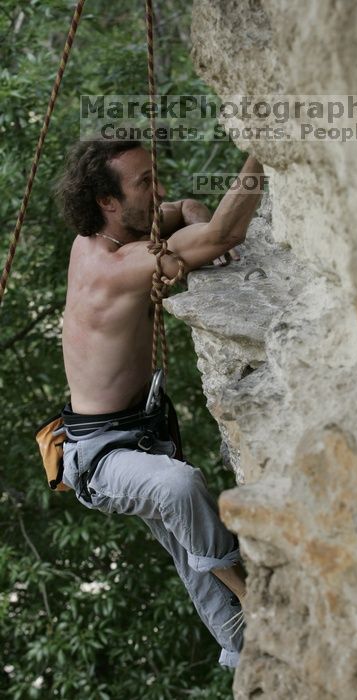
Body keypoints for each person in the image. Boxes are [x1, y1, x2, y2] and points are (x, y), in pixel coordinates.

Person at [56, 139, 263, 669]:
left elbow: (186, 212)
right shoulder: (114, 265)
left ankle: (242, 649)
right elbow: (224, 233)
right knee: (179, 487)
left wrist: (188, 217)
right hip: (100, 456)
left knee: (190, 548)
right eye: (144, 182)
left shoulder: (103, 235)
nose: (159, 189)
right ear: (107, 200)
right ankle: (247, 592)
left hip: (135, 434)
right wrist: (263, 150)